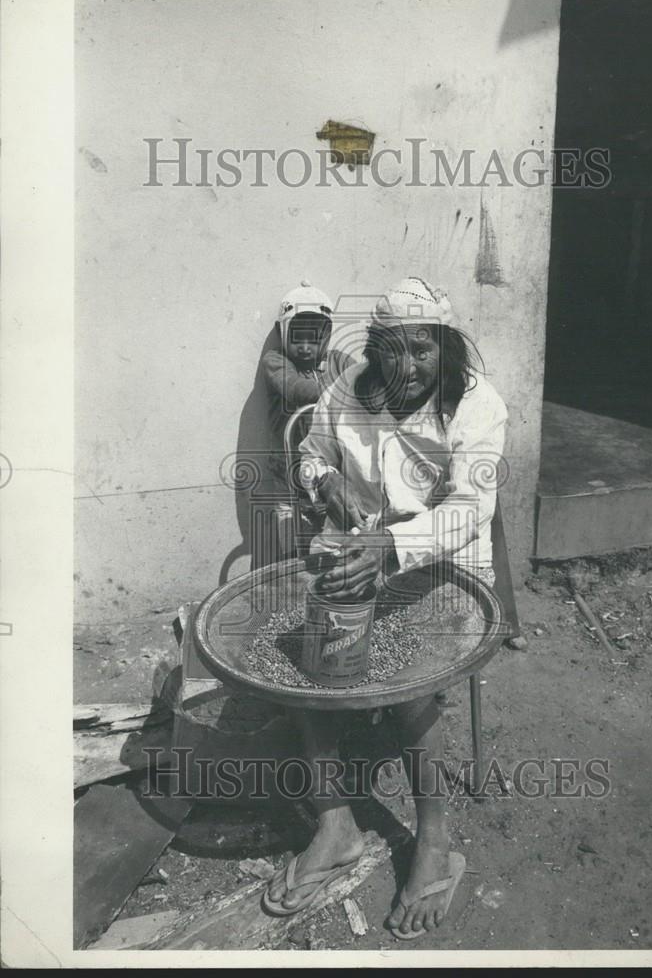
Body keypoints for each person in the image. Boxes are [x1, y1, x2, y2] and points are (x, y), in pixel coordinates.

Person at [263, 277, 508, 940]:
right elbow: (312, 452)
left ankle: (435, 837)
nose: (406, 367)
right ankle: (336, 820)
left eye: (422, 351)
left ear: (447, 348)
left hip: (442, 570)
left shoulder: (478, 406)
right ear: (376, 349)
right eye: (393, 351)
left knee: (404, 667)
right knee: (301, 651)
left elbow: (469, 508)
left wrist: (391, 545)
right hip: (353, 547)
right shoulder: (349, 389)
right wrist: (331, 482)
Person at [260, 280, 353, 563]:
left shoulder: (338, 361)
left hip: (331, 467)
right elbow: (298, 390)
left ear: (325, 337)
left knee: (335, 534)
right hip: (288, 472)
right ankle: (295, 581)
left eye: (312, 339)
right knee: (292, 539)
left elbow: (365, 381)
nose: (304, 347)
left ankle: (334, 579)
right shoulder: (276, 361)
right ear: (283, 332)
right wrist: (345, 390)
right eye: (296, 338)